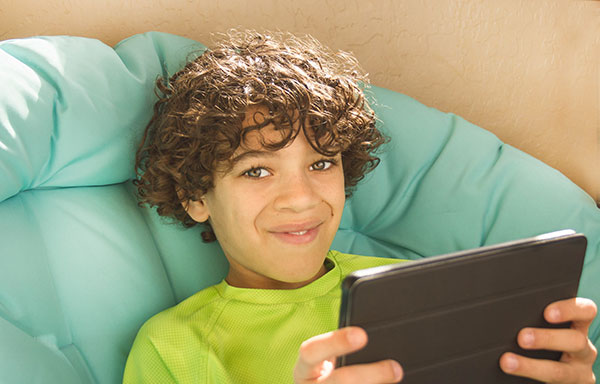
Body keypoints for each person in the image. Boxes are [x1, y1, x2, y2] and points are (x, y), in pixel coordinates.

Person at [123, 30, 597, 383]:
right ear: (195, 197)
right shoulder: (173, 347)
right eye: (257, 171)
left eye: (322, 163)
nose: (303, 198)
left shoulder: (415, 290)